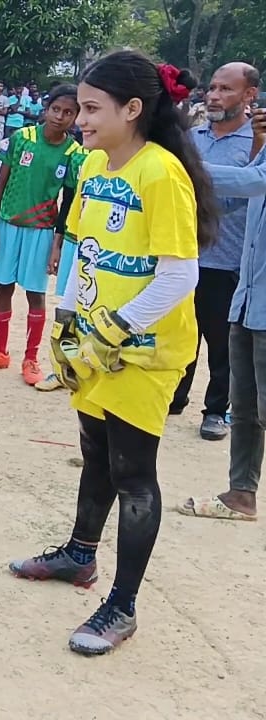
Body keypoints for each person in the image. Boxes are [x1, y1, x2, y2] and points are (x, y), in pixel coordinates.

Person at [9, 52, 214, 655]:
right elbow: (85, 250)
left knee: (133, 473)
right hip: (97, 343)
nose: (80, 120)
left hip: (144, 353)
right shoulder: (96, 164)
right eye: (79, 107)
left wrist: (114, 330)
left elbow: (180, 275)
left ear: (133, 109)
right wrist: (68, 324)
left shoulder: (161, 173)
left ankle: (122, 606)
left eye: (92, 108)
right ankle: (79, 555)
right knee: (94, 449)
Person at [178, 89, 266, 521]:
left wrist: (177, 162)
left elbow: (252, 182)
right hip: (248, 294)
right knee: (244, 404)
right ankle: (240, 494)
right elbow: (236, 199)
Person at [169, 62, 262, 440]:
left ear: (250, 95)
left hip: (228, 259)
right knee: (180, 332)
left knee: (222, 342)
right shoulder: (192, 137)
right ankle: (174, 397)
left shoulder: (256, 140)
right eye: (212, 88)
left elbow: (245, 193)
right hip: (184, 252)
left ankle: (216, 410)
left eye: (225, 89)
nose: (214, 96)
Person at [0, 84, 86, 386]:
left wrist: (56, 246)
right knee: (3, 288)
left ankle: (31, 358)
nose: (60, 116)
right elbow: (0, 182)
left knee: (36, 294)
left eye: (68, 112)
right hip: (8, 225)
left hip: (41, 231)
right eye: (56, 109)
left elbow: (68, 202)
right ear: (45, 109)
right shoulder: (22, 138)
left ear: (75, 117)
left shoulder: (74, 153)